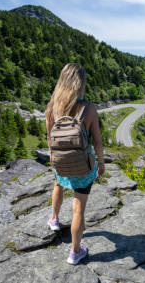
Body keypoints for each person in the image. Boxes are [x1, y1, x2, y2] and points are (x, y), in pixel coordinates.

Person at [45, 63, 105, 265]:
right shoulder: (88, 109)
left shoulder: (52, 107)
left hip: (60, 162)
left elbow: (49, 138)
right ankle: (75, 252)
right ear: (80, 83)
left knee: (58, 184)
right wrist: (101, 163)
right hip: (83, 166)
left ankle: (54, 219)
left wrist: (55, 160)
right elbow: (97, 141)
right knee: (78, 208)